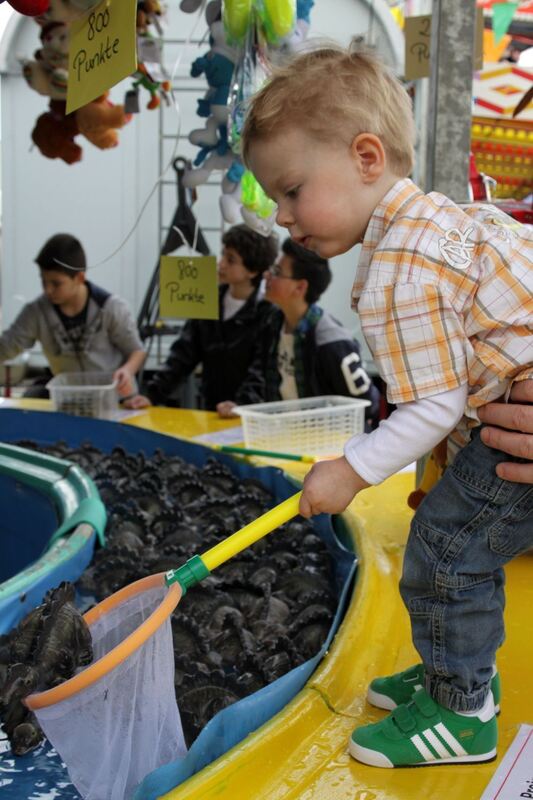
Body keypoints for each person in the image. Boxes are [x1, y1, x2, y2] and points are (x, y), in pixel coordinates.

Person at [242, 44, 533, 768]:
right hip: (512, 421)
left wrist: (349, 470)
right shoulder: (435, 224)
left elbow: (433, 405)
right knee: (449, 542)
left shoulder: (404, 262)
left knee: (443, 550)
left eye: (290, 190)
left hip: (514, 437)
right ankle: (453, 666)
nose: (280, 217)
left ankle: (460, 712)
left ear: (366, 157)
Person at [219, 237, 379, 424]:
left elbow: (367, 404)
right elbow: (261, 378)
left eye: (277, 272)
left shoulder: (330, 341)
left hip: (325, 442)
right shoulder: (272, 324)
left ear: (300, 287)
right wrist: (241, 405)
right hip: (285, 435)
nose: (267, 276)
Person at [132, 224, 278, 412]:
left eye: (231, 260)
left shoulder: (267, 314)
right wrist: (150, 396)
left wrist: (242, 406)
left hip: (248, 418)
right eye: (223, 254)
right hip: (210, 412)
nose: (221, 263)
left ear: (253, 271)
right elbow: (182, 355)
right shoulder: (208, 300)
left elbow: (261, 373)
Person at [0, 233, 146, 398]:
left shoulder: (111, 308)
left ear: (79, 278)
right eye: (44, 281)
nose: (48, 290)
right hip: (70, 400)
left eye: (56, 283)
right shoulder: (36, 313)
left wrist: (127, 371)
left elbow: (137, 351)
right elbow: (7, 346)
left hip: (114, 400)